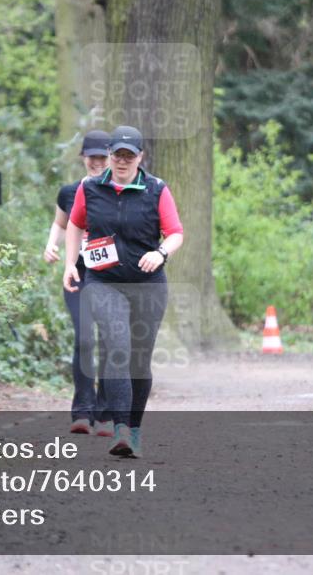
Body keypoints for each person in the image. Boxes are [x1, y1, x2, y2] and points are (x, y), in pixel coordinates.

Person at [63, 125, 184, 458]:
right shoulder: (90, 188)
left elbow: (175, 232)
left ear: (140, 157)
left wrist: (161, 252)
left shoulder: (156, 189)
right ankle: (120, 430)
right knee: (117, 347)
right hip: (104, 282)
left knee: (139, 361)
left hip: (147, 284)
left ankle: (133, 429)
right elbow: (75, 224)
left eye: (129, 155)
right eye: (117, 154)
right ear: (110, 155)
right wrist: (70, 263)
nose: (122, 161)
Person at [44, 129, 113, 436]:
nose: (96, 163)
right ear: (83, 157)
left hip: (111, 277)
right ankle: (82, 412)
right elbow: (60, 223)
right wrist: (51, 245)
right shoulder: (70, 192)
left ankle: (105, 413)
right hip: (79, 274)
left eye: (102, 157)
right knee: (84, 338)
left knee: (110, 340)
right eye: (91, 157)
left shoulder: (119, 192)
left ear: (110, 158)